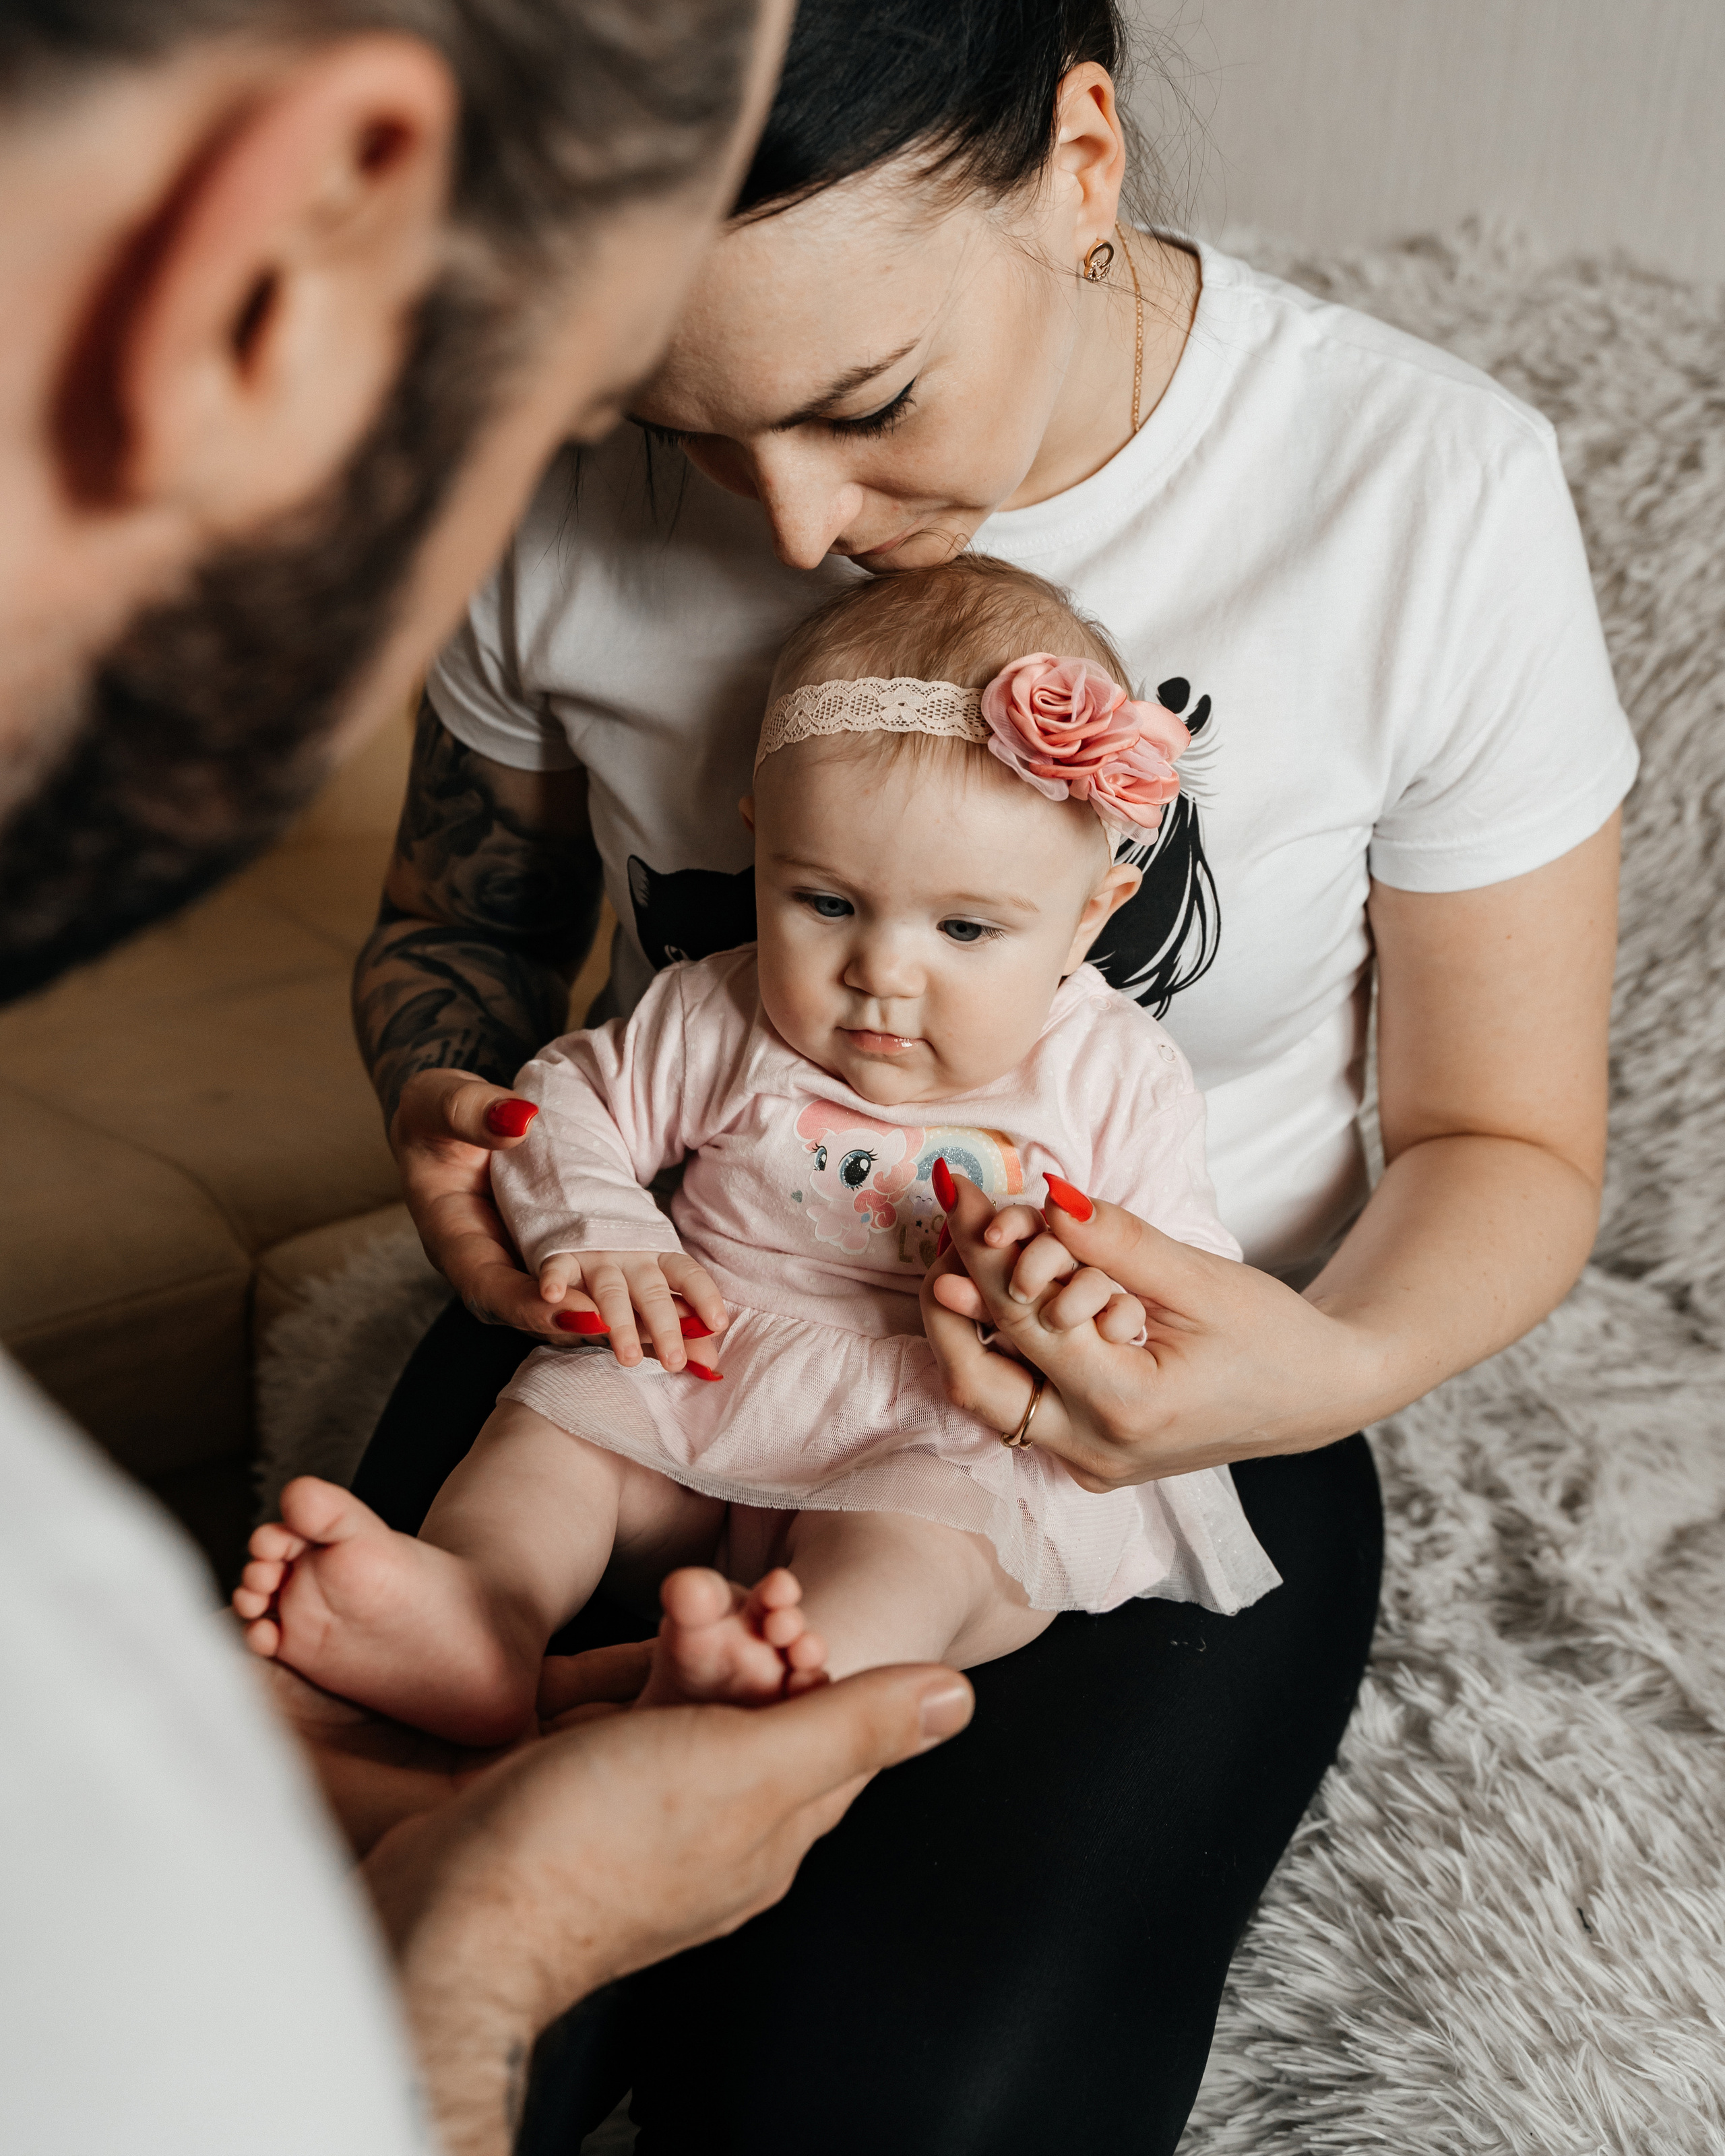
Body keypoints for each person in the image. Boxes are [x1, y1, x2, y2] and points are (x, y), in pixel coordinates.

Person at [349, 1, 1631, 2145]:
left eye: (862, 405)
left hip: (1132, 1408)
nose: (783, 530)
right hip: (656, 1305)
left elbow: (1506, 1137)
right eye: (675, 427)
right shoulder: (535, 468)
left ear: (1084, 165)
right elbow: (457, 940)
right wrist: (462, 1127)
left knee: (893, 2103)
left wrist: (1299, 1380)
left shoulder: (1424, 494)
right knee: (326, 2004)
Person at [0, 5, 981, 2153]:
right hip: (664, 1323)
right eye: (590, 409)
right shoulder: (72, 1721)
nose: (788, 537)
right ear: (273, 265)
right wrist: (476, 1964)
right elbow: (542, 1047)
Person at [237, 557, 1282, 1744]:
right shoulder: (719, 1011)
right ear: (760, 849)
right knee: (560, 1428)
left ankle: (792, 1675)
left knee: (924, 1542)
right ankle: (481, 1612)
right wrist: (606, 1234)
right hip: (712, 1364)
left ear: (1091, 910)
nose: (882, 972)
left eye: (966, 928)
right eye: (826, 902)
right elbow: (565, 1102)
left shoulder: (1111, 1072)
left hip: (952, 1413)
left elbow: (1185, 1268)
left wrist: (1099, 1309)